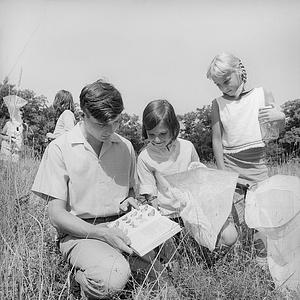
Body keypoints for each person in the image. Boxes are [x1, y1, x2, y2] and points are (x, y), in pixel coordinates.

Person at [32, 80, 171, 299]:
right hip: (80, 233)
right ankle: (80, 276)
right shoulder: (60, 148)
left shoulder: (125, 147)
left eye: (116, 122)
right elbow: (56, 215)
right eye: (101, 124)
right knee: (113, 277)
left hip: (122, 228)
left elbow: (131, 193)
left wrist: (131, 202)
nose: (110, 130)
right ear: (83, 114)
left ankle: (119, 264)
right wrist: (101, 234)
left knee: (164, 285)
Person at [207, 52, 285, 265]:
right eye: (218, 84)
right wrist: (223, 175)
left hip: (258, 170)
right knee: (239, 225)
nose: (224, 88)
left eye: (226, 81)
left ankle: (262, 267)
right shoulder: (217, 104)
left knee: (261, 224)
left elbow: (273, 134)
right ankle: (221, 263)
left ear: (239, 70)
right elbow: (216, 140)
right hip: (232, 171)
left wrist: (281, 119)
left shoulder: (262, 94)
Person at [137, 99, 238, 251]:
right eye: (151, 134)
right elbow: (151, 198)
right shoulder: (145, 157)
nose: (157, 140)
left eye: (163, 134)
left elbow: (200, 180)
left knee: (230, 236)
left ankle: (211, 257)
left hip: (193, 210)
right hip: (168, 216)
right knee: (175, 258)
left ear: (173, 128)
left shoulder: (187, 147)